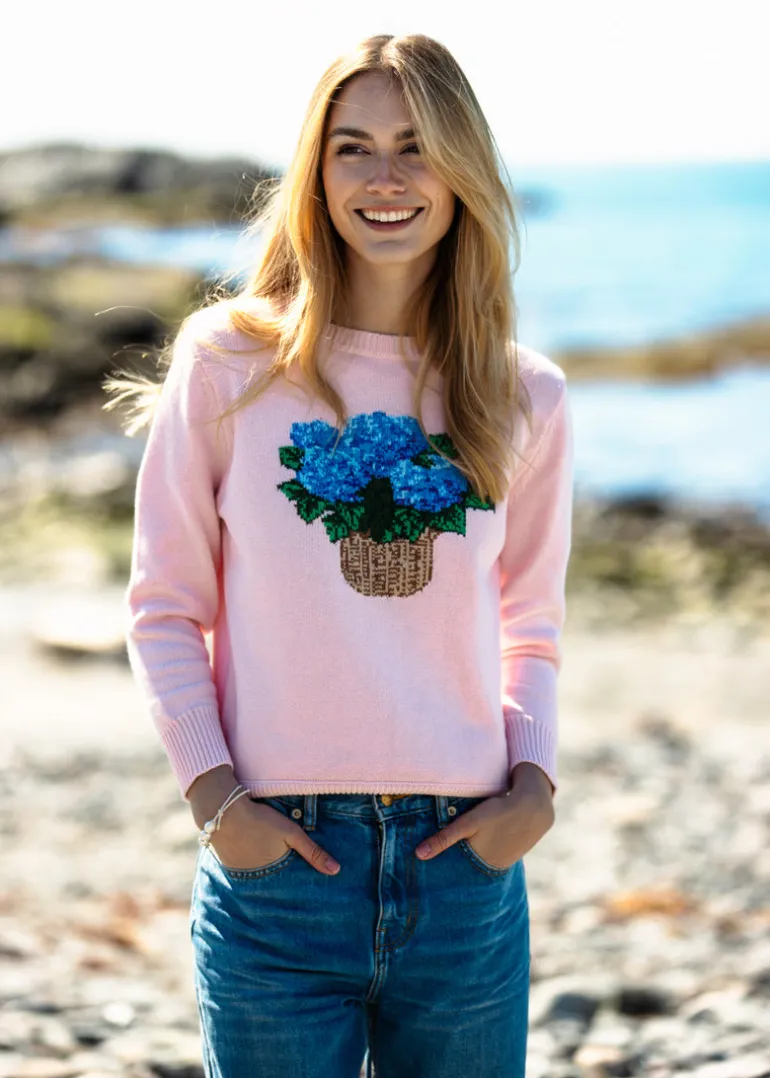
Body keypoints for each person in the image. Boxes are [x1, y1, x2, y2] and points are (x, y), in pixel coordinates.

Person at [106, 31, 574, 1078]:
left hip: (463, 869)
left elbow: (530, 622)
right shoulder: (229, 362)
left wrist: (531, 784)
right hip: (277, 866)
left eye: (415, 146)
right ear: (315, 174)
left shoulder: (521, 392)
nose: (385, 178)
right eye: (352, 147)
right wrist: (214, 799)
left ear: (462, 171)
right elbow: (165, 606)